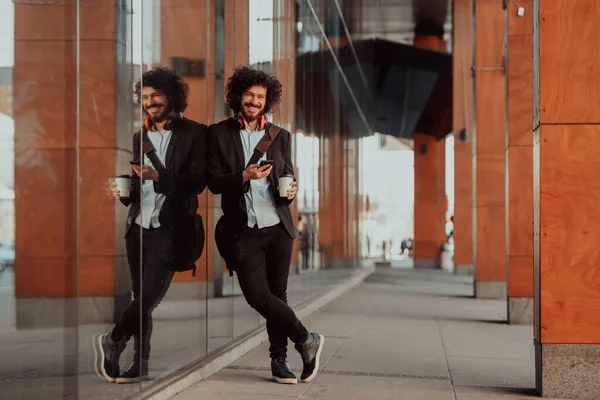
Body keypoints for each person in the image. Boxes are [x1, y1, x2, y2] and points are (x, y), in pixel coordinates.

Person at [207, 65, 324, 385]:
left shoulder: (280, 136)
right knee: (258, 296)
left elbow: (286, 173)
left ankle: (279, 360)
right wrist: (244, 176)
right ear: (238, 96)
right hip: (242, 229)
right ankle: (306, 339)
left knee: (278, 296)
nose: (255, 101)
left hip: (277, 227)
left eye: (261, 96)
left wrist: (291, 189)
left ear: (267, 100)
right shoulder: (218, 133)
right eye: (249, 95)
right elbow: (213, 182)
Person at [96, 67, 207, 384]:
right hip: (138, 226)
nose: (150, 102)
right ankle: (139, 363)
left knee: (148, 296)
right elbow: (137, 185)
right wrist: (123, 193)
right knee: (140, 297)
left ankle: (114, 339)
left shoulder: (196, 133)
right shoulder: (139, 137)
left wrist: (160, 178)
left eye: (155, 95)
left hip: (170, 228)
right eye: (144, 97)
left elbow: (198, 182)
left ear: (172, 96)